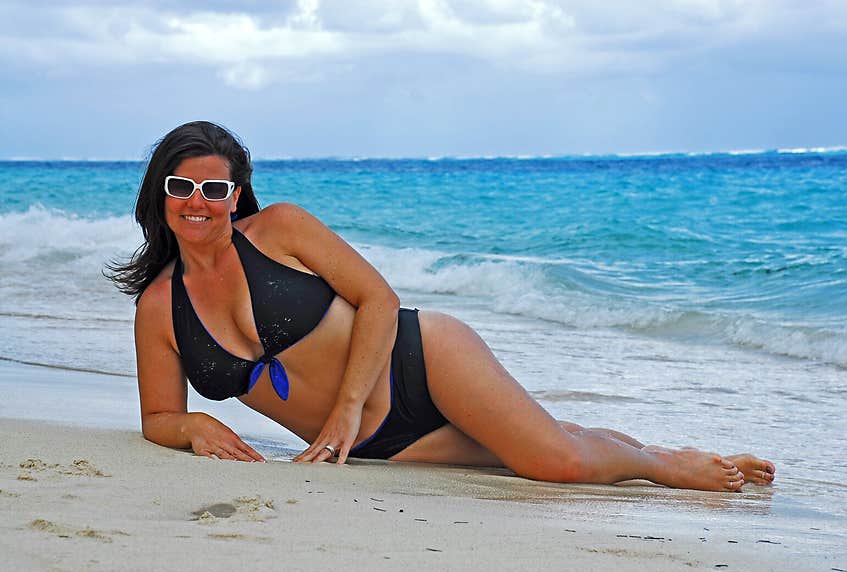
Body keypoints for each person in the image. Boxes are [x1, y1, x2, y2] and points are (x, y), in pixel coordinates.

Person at [107, 120, 775, 492]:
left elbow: (378, 298)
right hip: (375, 448)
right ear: (159, 192)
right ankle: (584, 434)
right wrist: (192, 429)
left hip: (419, 361)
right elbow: (159, 415)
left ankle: (661, 461)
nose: (197, 201)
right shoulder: (160, 309)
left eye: (214, 188)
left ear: (236, 193)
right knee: (538, 448)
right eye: (181, 185)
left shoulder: (280, 228)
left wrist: (342, 409)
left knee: (559, 465)